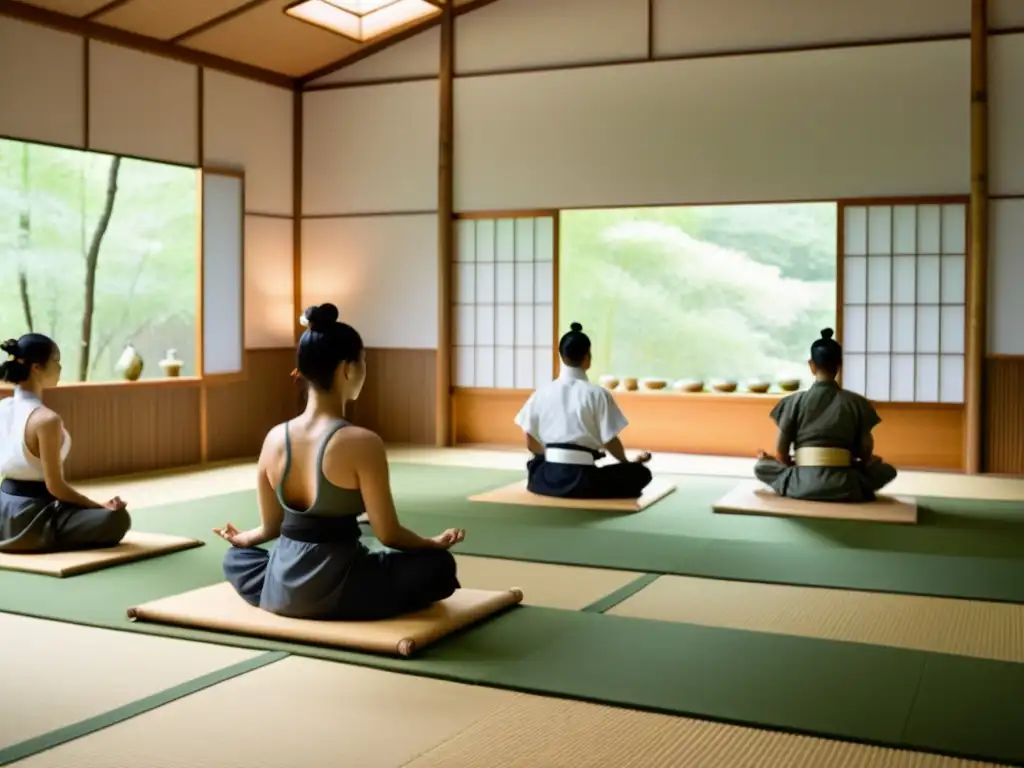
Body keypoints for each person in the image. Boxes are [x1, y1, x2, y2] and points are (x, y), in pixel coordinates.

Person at [214, 304, 464, 621]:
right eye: (363, 363)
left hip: (283, 586)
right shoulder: (362, 442)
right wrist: (431, 543)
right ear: (347, 369)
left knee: (237, 559)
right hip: (347, 587)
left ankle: (284, 595)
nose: (363, 371)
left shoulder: (275, 438)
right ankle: (339, 604)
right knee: (438, 566)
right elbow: (389, 534)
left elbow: (271, 527)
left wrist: (242, 540)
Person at [0, 334, 130, 553]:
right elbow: (55, 487)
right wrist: (97, 505)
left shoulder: (3, 407)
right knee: (118, 519)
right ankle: (36, 538)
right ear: (37, 368)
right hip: (32, 518)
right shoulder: (46, 420)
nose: (60, 368)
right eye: (56, 361)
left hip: (3, 508)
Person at [754, 328, 898, 502]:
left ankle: (794, 478)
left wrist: (780, 461)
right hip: (846, 485)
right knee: (887, 470)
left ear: (811, 365)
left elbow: (781, 454)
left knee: (761, 467)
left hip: (801, 483)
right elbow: (865, 453)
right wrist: (864, 463)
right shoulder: (857, 403)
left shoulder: (793, 401)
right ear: (839, 366)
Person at [514, 322, 653, 499]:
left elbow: (530, 441)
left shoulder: (541, 392)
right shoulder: (598, 394)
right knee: (640, 473)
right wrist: (626, 463)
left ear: (561, 356)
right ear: (588, 357)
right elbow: (610, 440)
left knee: (536, 463)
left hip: (546, 480)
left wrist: (550, 459)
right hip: (584, 480)